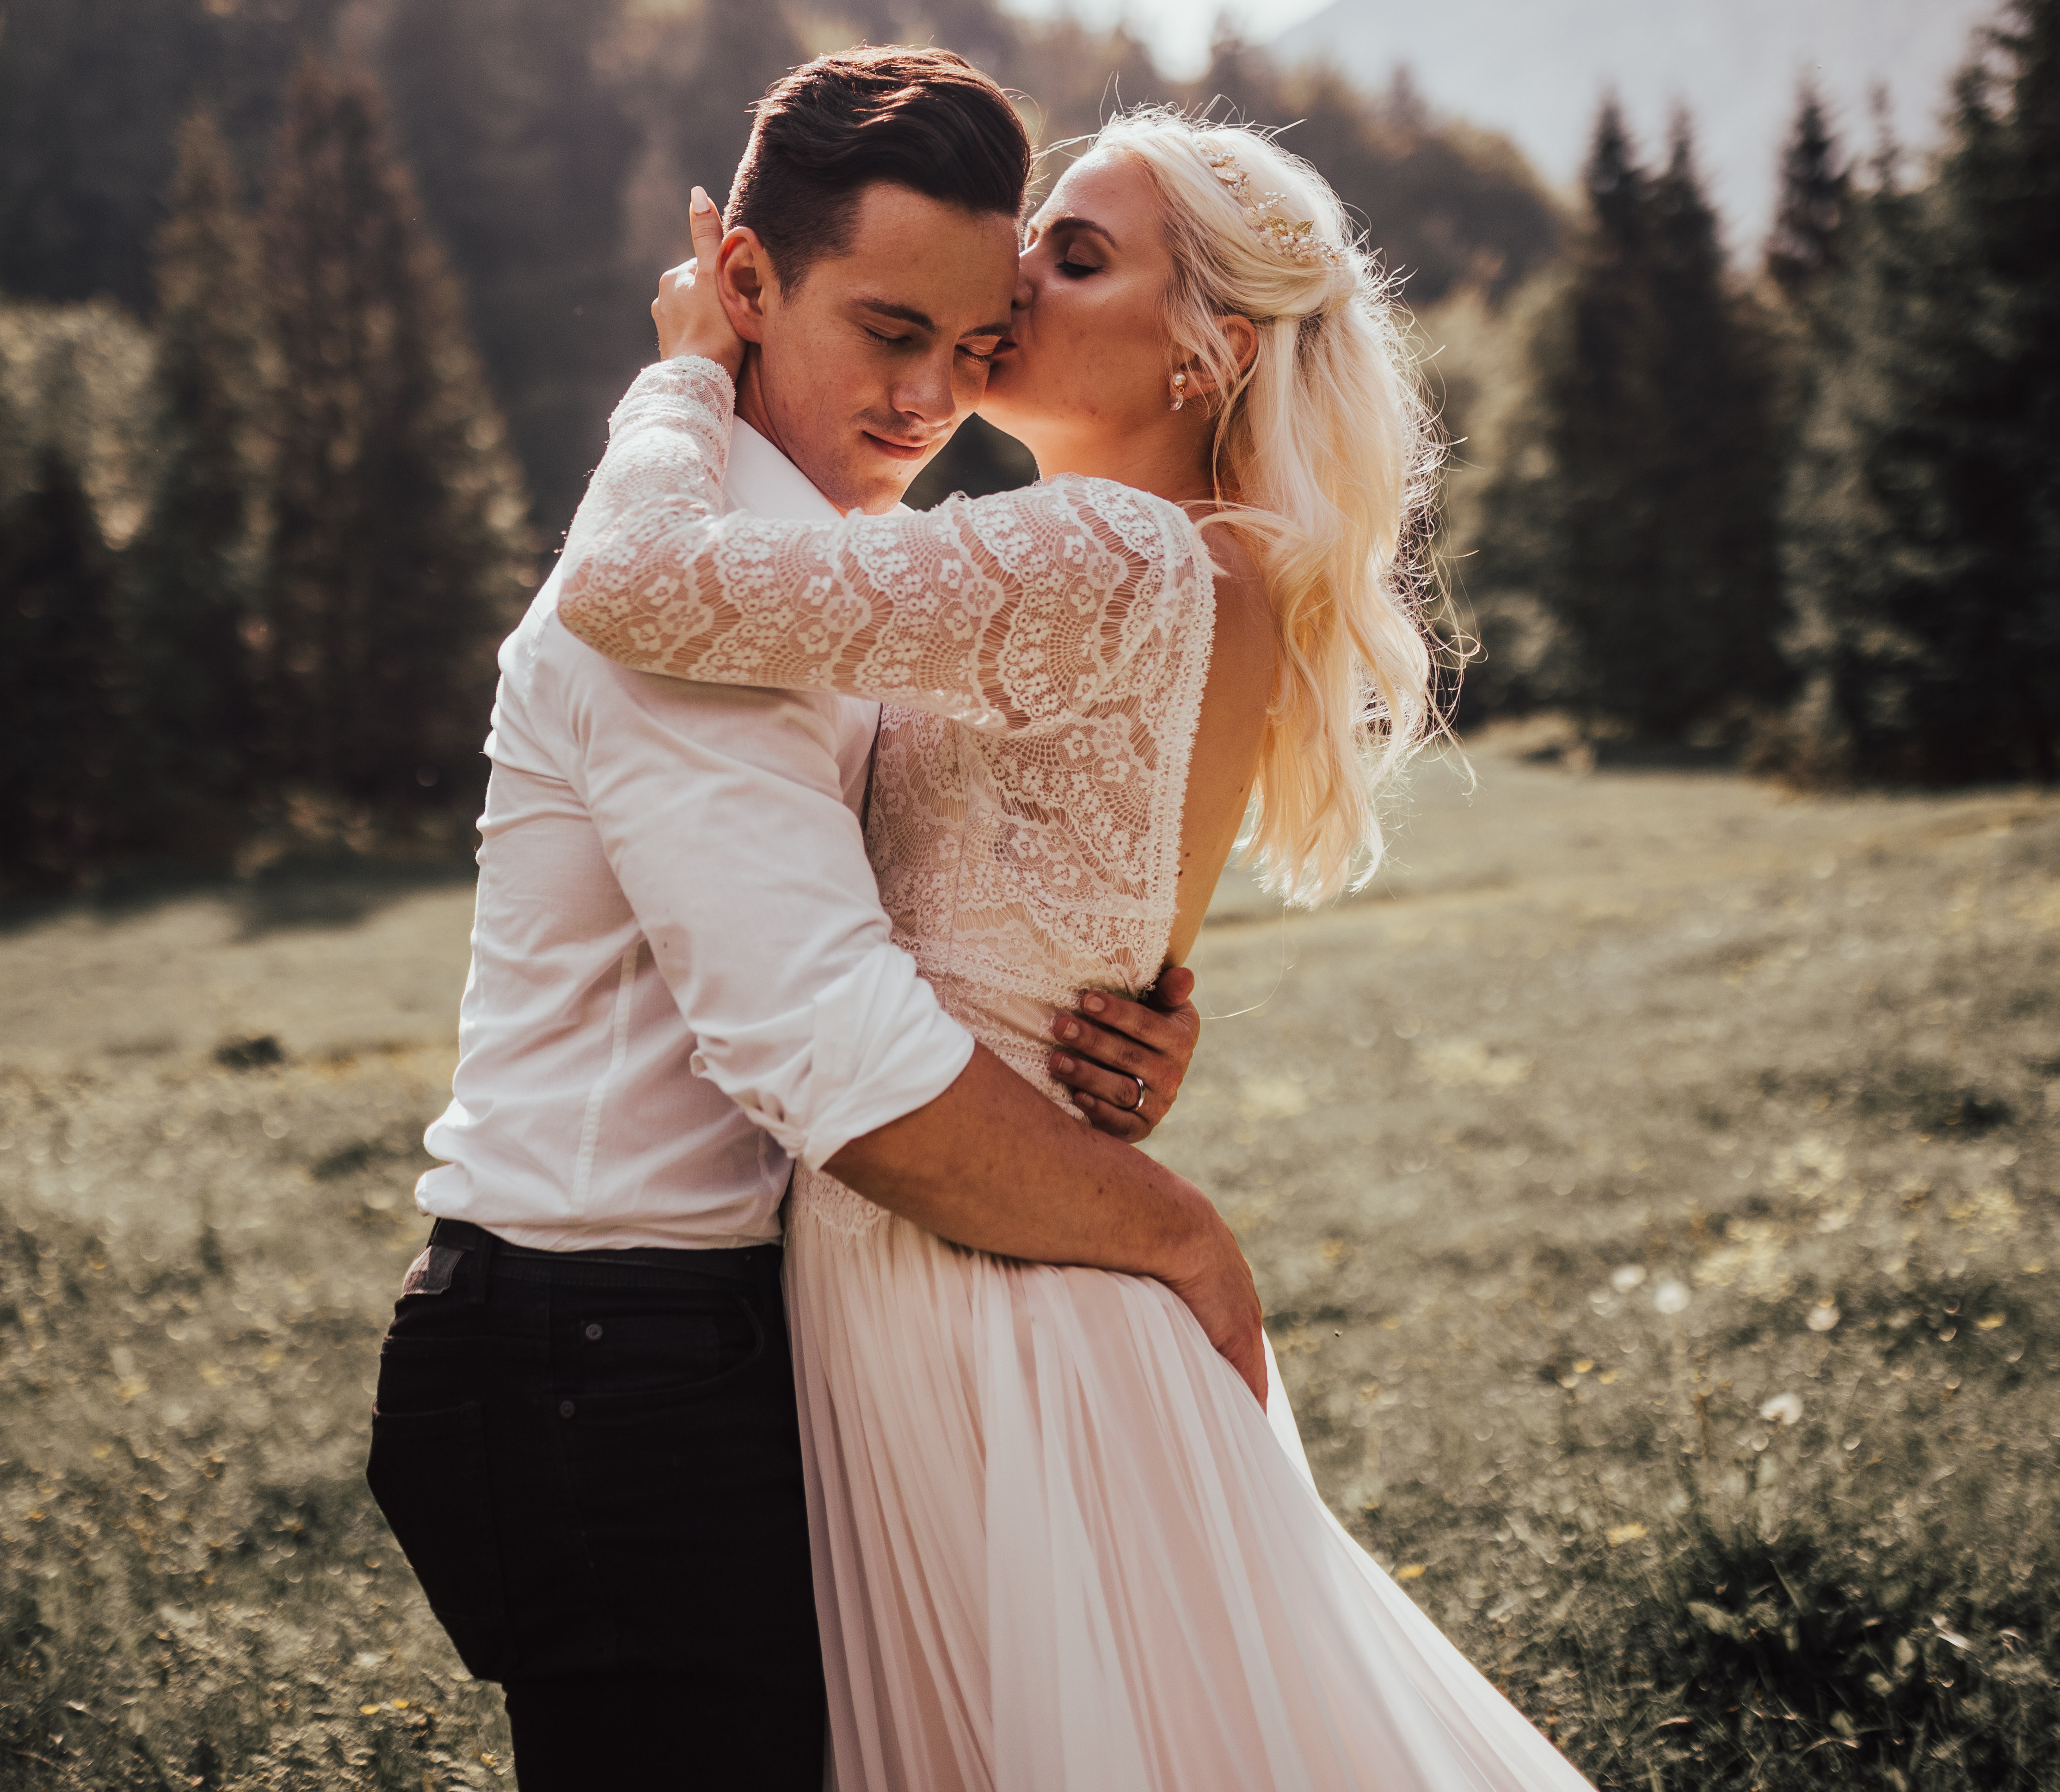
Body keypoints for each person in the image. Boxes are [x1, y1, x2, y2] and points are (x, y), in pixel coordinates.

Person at [555, 104, 1601, 1788]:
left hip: (965, 1269)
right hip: (1008, 1233)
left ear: (1210, 352)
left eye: (1076, 254)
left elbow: (644, 585)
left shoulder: (1104, 552)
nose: (1014, 281)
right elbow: (1095, 949)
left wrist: (687, 360)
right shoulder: (1224, 572)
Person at [365, 49, 1266, 1792]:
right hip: (597, 1355)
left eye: (972, 338)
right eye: (887, 331)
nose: (933, 395)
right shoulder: (686, 610)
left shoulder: (816, 582)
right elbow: (831, 1057)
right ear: (748, 287)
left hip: (696, 1336)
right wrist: (1168, 1232)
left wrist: (1096, 1006)